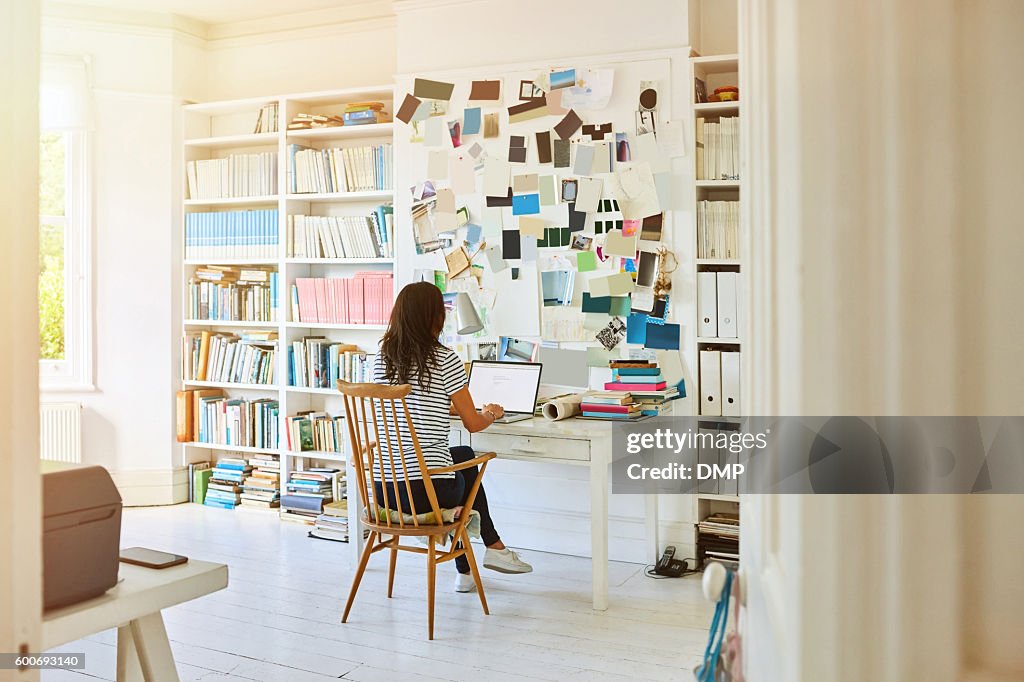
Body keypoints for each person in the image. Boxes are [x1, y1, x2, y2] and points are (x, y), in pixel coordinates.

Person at [372, 281, 532, 592]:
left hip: (385, 490)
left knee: (460, 457)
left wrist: (448, 409)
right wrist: (491, 414)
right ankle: (493, 546)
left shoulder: (381, 358)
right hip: (424, 494)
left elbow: (409, 409)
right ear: (435, 317)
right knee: (467, 459)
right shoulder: (445, 360)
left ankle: (470, 569)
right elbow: (474, 425)